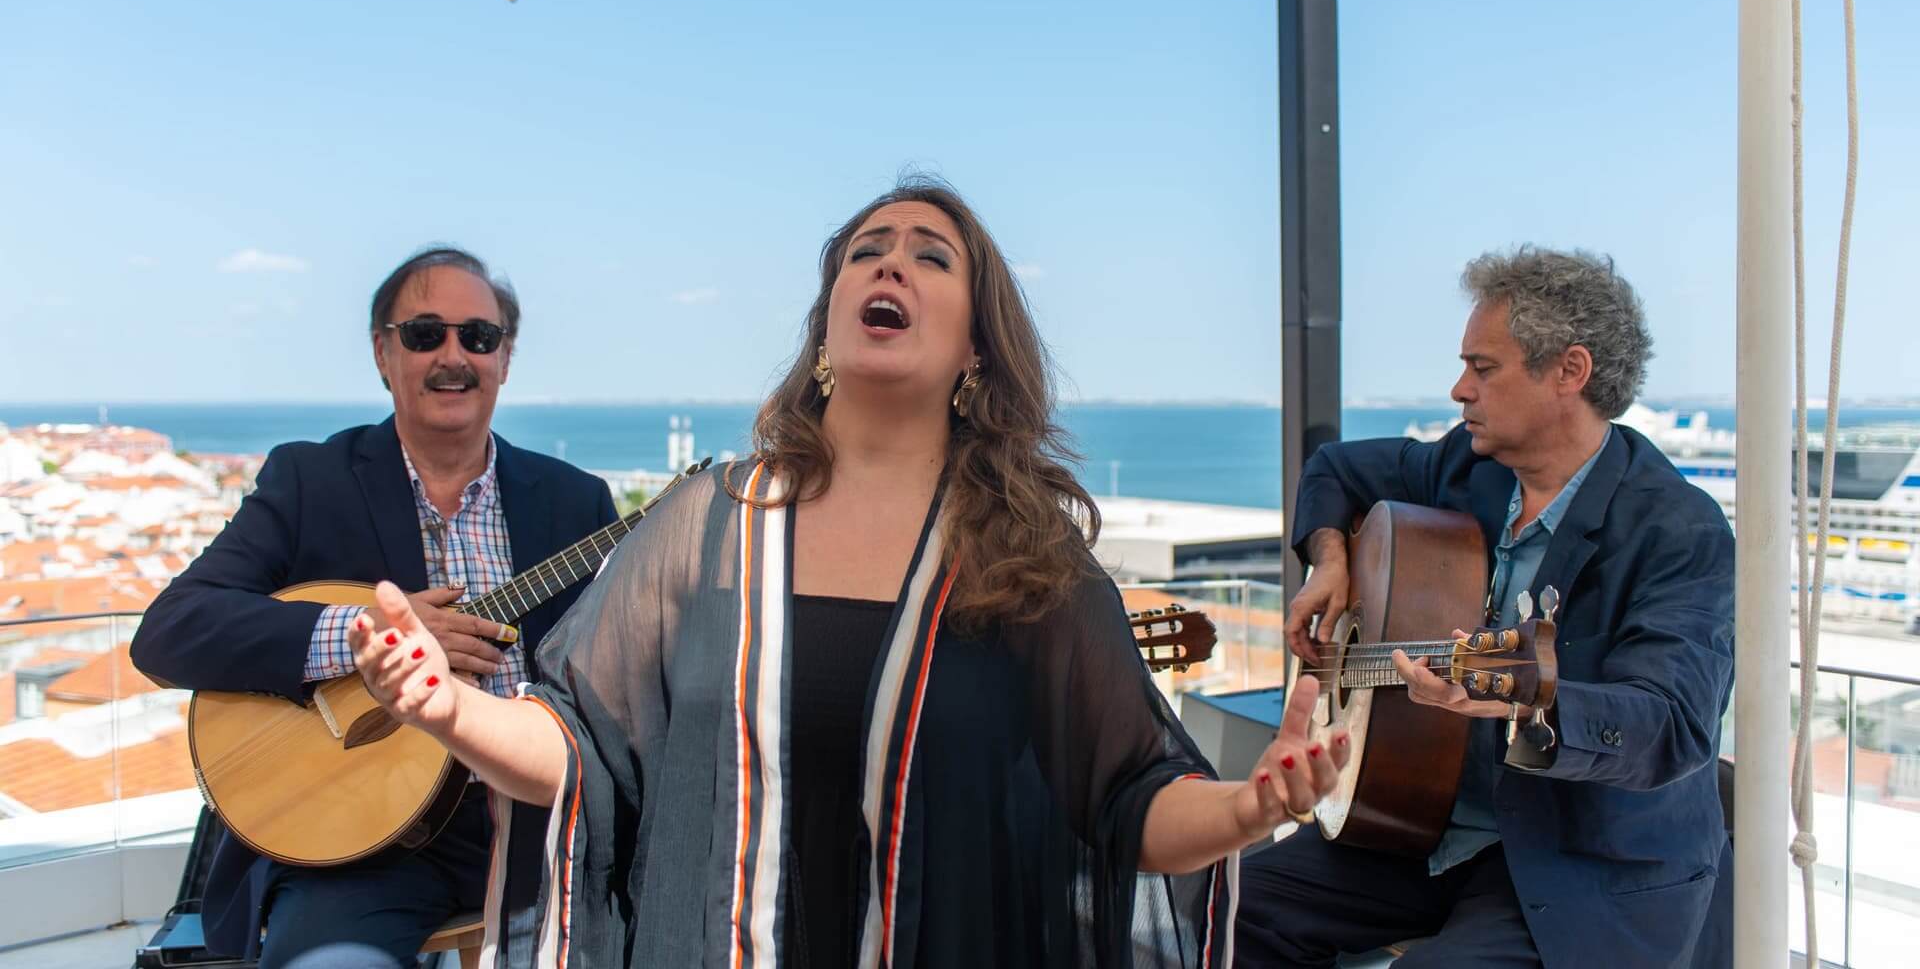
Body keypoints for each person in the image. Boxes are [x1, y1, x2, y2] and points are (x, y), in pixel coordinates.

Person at [350, 178, 1350, 968]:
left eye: (931, 256)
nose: (893, 265)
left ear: (975, 349)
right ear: (830, 323)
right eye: (868, 252)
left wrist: (1254, 806)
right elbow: (579, 748)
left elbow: (1130, 800)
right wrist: (445, 710)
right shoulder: (706, 523)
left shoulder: (1025, 555)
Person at [1234, 247, 1736, 967]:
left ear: (1570, 371)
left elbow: (1672, 726)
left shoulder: (1676, 529)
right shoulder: (1468, 468)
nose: (1459, 390)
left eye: (1483, 368)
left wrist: (1528, 704)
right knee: (1224, 906)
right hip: (1420, 828)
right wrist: (1331, 558)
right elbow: (1333, 469)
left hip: (1579, 863)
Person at [131, 248, 618, 967]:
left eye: (477, 338)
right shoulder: (309, 480)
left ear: (505, 359)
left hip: (545, 828)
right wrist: (361, 640)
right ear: (383, 353)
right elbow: (169, 633)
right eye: (425, 334)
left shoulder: (578, 502)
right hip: (363, 848)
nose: (453, 356)